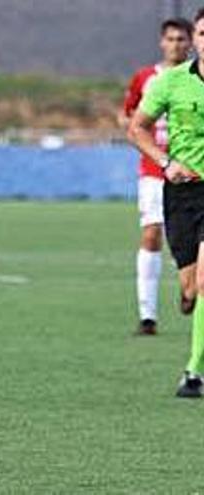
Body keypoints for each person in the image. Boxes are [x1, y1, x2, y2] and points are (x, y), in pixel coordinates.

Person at [129, 8, 204, 398]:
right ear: (195, 40)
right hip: (182, 192)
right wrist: (165, 162)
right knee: (192, 286)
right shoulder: (170, 82)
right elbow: (136, 127)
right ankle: (186, 292)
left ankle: (194, 372)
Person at [120, 18, 193, 335]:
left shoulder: (195, 77)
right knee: (151, 234)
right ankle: (147, 315)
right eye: (170, 39)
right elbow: (128, 116)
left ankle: (188, 284)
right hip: (154, 168)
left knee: (189, 244)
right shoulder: (146, 78)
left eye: (181, 39)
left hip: (192, 169)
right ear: (161, 42)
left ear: (190, 43)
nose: (176, 45)